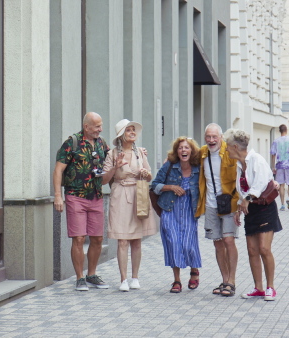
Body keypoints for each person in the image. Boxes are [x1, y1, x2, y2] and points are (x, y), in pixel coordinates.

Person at [53, 112, 110, 291]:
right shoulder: (72, 142)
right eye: (97, 126)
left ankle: (92, 274)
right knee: (78, 238)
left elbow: (112, 160)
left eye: (101, 126)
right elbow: (58, 170)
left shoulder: (102, 143)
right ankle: (79, 278)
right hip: (75, 196)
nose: (100, 129)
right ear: (86, 127)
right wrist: (57, 196)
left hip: (96, 196)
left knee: (98, 238)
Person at [224, 128, 282, 301]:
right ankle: (258, 287)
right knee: (252, 250)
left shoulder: (256, 159)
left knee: (264, 249)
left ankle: (271, 287)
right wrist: (239, 209)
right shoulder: (240, 165)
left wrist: (247, 199)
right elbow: (242, 190)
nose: (226, 149)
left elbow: (262, 181)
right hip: (250, 209)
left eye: (227, 146)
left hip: (264, 207)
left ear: (235, 146)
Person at [102, 119, 158, 292]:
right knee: (122, 240)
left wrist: (144, 173)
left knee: (136, 240)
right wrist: (114, 168)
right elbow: (103, 180)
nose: (133, 133)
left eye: (134, 130)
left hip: (138, 194)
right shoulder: (112, 154)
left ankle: (135, 277)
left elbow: (150, 177)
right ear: (121, 135)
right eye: (129, 130)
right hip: (120, 195)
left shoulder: (139, 153)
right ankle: (123, 279)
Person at [151, 137, 201, 293]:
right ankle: (176, 280)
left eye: (186, 148)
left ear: (192, 151)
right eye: (180, 148)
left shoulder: (198, 168)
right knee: (172, 243)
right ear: (176, 151)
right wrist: (171, 187)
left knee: (188, 245)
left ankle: (194, 271)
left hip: (189, 211)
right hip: (170, 210)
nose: (183, 150)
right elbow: (154, 185)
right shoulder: (169, 166)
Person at [195, 123, 240, 297]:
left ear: (221, 137)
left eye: (215, 136)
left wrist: (240, 205)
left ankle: (232, 280)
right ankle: (224, 279)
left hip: (229, 202)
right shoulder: (202, 153)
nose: (212, 140)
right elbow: (184, 156)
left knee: (229, 240)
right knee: (217, 242)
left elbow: (240, 174)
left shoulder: (229, 152)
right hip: (211, 204)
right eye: (208, 137)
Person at [270, 124, 289, 211]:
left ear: (280, 131)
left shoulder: (276, 141)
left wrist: (273, 167)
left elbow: (273, 155)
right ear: (286, 130)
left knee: (281, 185)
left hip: (279, 165)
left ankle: (282, 204)